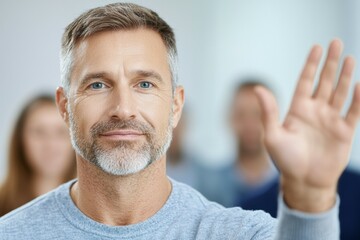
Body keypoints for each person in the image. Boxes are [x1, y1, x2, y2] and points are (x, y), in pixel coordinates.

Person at [0, 3, 359, 239]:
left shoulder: (236, 233)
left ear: (176, 106)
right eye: (98, 84)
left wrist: (311, 199)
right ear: (64, 106)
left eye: (144, 84)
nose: (123, 108)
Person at [200, 80, 278, 207]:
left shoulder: (288, 191)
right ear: (229, 119)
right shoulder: (208, 187)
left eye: (258, 115)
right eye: (241, 115)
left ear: (274, 120)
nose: (249, 124)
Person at [0, 94, 76, 216]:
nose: (50, 145)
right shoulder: (2, 203)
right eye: (39, 132)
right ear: (20, 140)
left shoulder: (94, 207)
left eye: (61, 133)